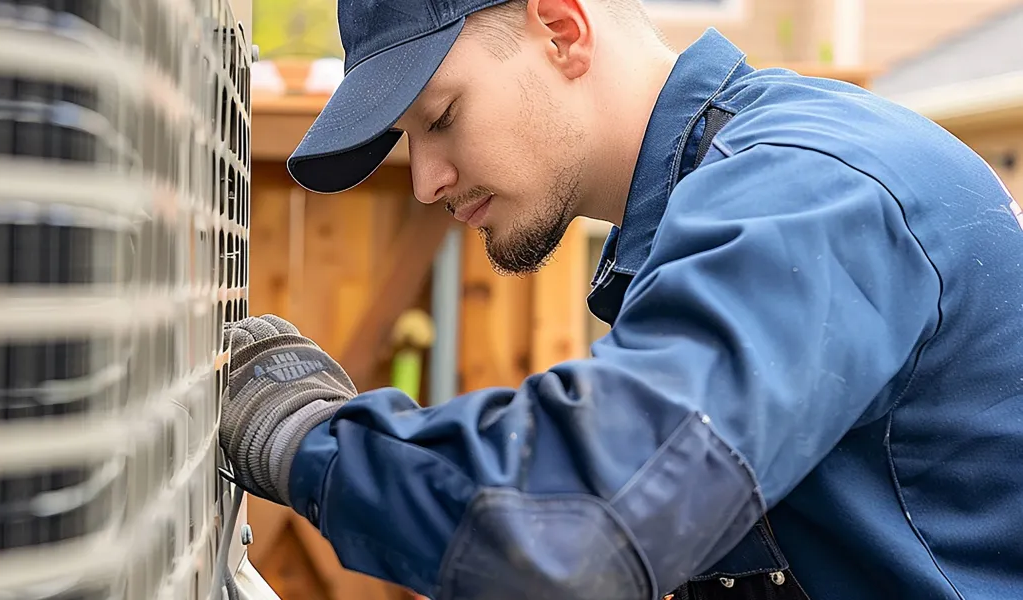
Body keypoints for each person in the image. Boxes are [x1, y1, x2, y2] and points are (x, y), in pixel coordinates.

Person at [219, 0, 1023, 598]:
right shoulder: (726, 197)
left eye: (442, 117)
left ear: (562, 28)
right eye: (409, 139)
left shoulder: (808, 191)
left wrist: (302, 435)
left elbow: (582, 527)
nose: (427, 179)